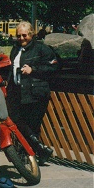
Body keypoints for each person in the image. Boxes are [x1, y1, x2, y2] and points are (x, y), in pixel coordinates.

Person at [6, 21, 59, 165]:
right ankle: (40, 150)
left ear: (31, 34)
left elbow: (54, 67)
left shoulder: (41, 48)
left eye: (24, 35)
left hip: (36, 92)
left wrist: (33, 69)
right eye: (19, 36)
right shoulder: (15, 49)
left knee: (33, 125)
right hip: (18, 92)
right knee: (17, 121)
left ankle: (32, 156)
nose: (21, 38)